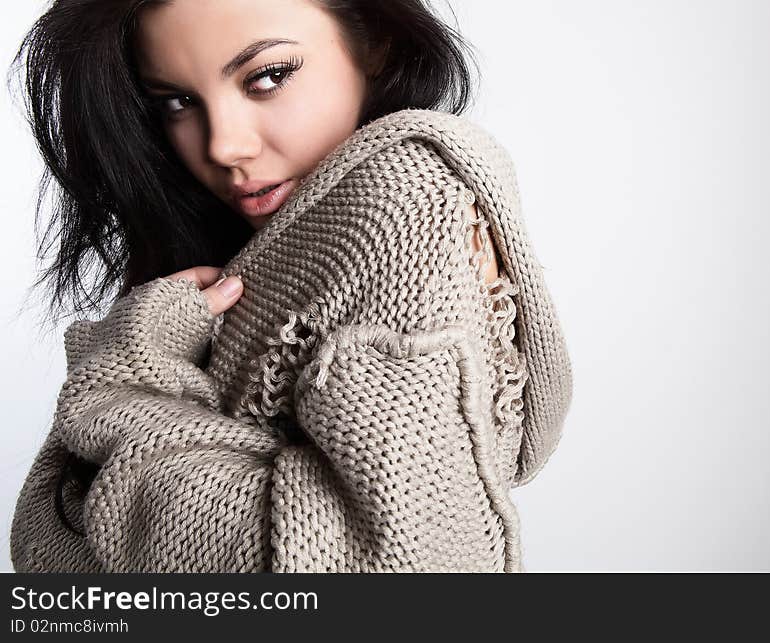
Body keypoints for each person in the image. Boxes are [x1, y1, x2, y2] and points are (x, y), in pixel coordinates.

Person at [9, 0, 572, 572]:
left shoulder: (403, 208)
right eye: (178, 102)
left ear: (374, 44)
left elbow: (402, 568)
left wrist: (125, 390)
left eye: (268, 77)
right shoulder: (258, 247)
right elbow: (49, 551)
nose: (223, 147)